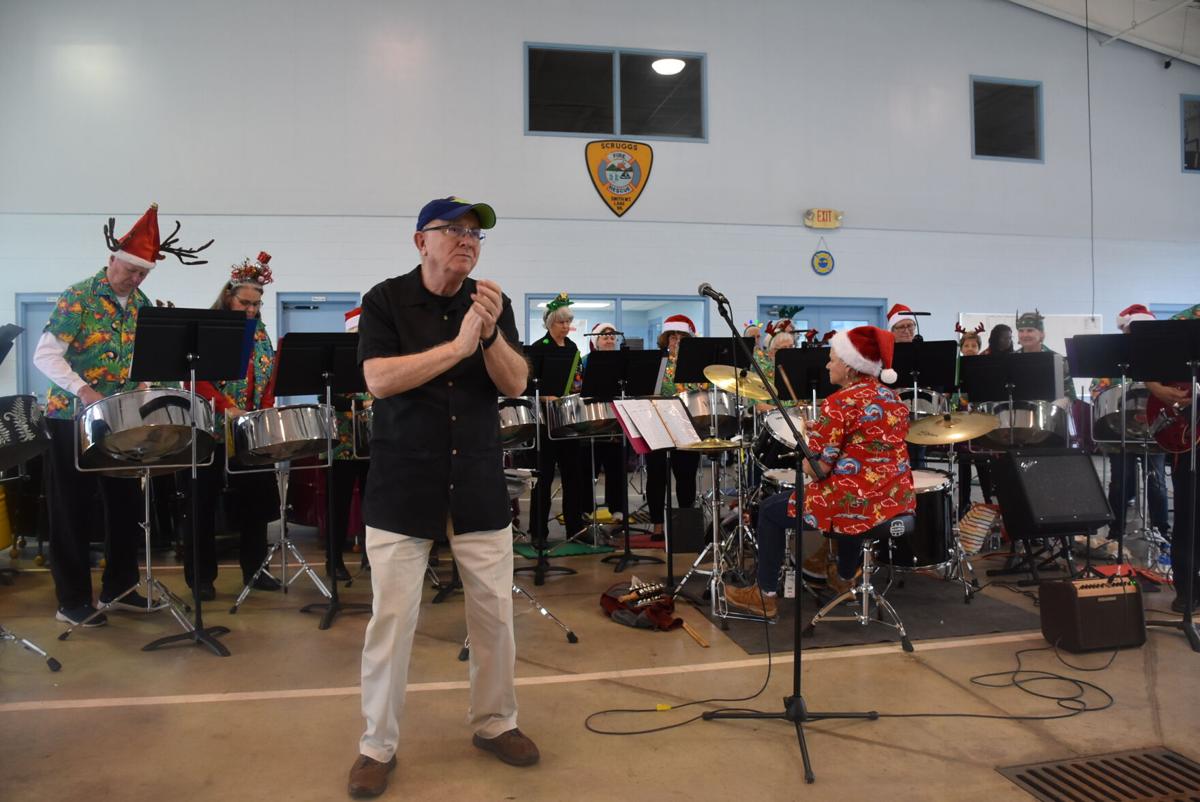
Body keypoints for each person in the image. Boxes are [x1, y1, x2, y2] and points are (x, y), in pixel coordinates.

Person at [349, 196, 536, 798]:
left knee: (495, 615)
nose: (466, 241)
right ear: (420, 241)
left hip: (477, 480)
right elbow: (379, 380)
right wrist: (457, 348)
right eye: (452, 230)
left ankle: (496, 722)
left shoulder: (489, 301)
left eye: (475, 234)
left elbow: (516, 382)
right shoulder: (385, 300)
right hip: (405, 484)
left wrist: (489, 333)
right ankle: (376, 746)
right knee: (392, 621)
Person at [33, 203, 211, 626]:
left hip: (123, 420)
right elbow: (45, 355)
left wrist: (153, 390)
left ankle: (121, 587)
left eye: (143, 274)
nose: (135, 279)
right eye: (130, 270)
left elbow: (140, 363)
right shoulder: (78, 297)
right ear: (112, 260)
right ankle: (72, 601)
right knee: (72, 509)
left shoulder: (141, 304)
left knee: (126, 505)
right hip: (72, 419)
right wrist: (83, 389)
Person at [726, 326, 915, 618]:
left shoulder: (837, 403)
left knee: (770, 510)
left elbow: (817, 470)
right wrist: (825, 434)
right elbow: (866, 444)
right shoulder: (893, 399)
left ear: (850, 367)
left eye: (832, 359)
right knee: (853, 500)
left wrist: (808, 448)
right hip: (894, 498)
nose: (827, 365)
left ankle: (764, 595)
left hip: (856, 502)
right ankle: (844, 575)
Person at [184, 252, 282, 600]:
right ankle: (201, 578)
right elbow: (195, 379)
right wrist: (228, 408)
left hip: (249, 429)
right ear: (229, 297)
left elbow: (269, 377)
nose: (251, 310)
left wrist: (263, 411)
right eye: (245, 303)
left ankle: (255, 569)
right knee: (203, 505)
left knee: (255, 504)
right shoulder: (209, 329)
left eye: (256, 304)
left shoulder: (261, 334)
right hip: (210, 429)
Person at [1089, 305, 1169, 546]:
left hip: (1153, 429)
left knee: (1157, 481)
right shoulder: (1112, 355)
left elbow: (1171, 390)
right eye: (1131, 330)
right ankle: (1115, 531)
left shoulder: (1163, 357)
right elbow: (1098, 388)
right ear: (1124, 331)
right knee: (1120, 482)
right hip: (1119, 429)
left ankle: (1161, 530)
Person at [1146, 301, 1200, 614]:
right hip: (1190, 434)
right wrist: (1158, 389)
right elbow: (1148, 365)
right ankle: (1187, 588)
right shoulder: (1185, 320)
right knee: (1189, 512)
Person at [527, 293, 586, 544]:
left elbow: (577, 379)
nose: (566, 326)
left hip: (568, 418)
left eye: (568, 322)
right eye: (561, 322)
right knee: (544, 477)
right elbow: (528, 386)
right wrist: (544, 396)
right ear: (550, 322)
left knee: (574, 476)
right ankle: (539, 532)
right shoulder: (538, 348)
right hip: (545, 420)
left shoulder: (572, 348)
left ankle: (575, 529)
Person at [324, 306, 373, 580]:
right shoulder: (335, 358)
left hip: (372, 443)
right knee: (338, 506)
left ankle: (371, 556)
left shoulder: (379, 355)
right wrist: (361, 404)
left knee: (373, 504)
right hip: (341, 444)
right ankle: (334, 561)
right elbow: (325, 397)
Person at [645, 314, 703, 538]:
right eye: (672, 337)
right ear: (665, 339)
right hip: (658, 424)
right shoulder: (656, 363)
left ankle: (685, 526)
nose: (677, 341)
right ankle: (657, 525)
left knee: (686, 476)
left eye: (682, 337)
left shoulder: (697, 365)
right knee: (656, 476)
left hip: (687, 425)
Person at [581, 322, 626, 523]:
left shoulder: (623, 361)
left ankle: (618, 509)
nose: (609, 339)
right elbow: (578, 387)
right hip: (592, 420)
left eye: (612, 336)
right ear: (596, 341)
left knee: (616, 466)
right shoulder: (585, 361)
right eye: (604, 336)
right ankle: (585, 508)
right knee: (588, 467)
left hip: (616, 421)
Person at [1015, 309, 1076, 401]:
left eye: (1030, 330)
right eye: (1021, 331)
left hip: (1050, 409)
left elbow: (1070, 394)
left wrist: (1057, 405)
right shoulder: (1011, 360)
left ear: (1042, 334)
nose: (1025, 335)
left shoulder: (1057, 360)